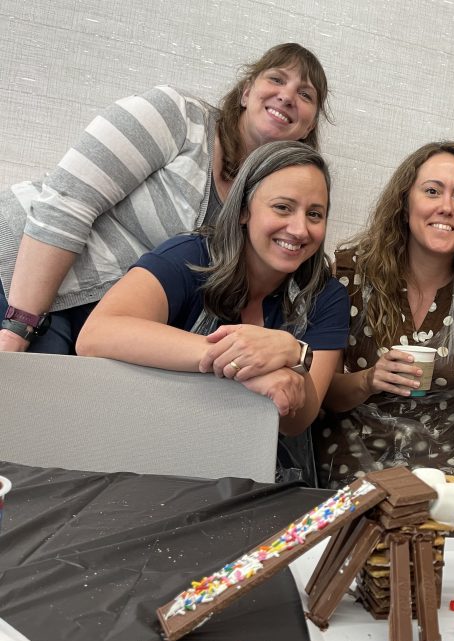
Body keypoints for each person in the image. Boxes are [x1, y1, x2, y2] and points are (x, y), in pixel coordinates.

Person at [1, 43, 330, 355]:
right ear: (246, 92)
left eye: (304, 94)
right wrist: (20, 323)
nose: (287, 96)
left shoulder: (272, 202)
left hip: (103, 319)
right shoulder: (179, 117)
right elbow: (68, 200)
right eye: (276, 79)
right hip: (22, 275)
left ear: (309, 125)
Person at [76, 141, 348, 481]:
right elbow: (96, 334)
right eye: (282, 208)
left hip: (256, 466)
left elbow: (297, 421)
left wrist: (293, 353)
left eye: (314, 214)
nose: (299, 229)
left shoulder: (328, 296)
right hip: (151, 453)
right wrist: (245, 360)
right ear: (243, 210)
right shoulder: (189, 257)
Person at [315, 141, 454, 488]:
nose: (446, 207)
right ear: (404, 204)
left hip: (445, 474)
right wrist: (368, 380)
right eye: (432, 191)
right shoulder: (347, 276)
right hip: (351, 466)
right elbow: (319, 392)